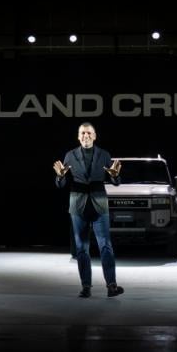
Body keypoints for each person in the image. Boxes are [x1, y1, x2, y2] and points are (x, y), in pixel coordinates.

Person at [53, 123, 123, 298]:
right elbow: (61, 184)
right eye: (83, 133)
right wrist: (60, 176)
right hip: (78, 205)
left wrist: (115, 176)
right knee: (81, 248)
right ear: (78, 136)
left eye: (89, 133)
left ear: (95, 136)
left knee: (105, 246)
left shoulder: (104, 155)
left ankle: (112, 286)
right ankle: (86, 286)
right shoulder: (70, 155)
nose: (86, 136)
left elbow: (115, 181)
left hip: (100, 205)